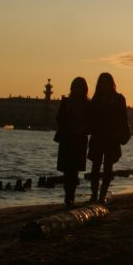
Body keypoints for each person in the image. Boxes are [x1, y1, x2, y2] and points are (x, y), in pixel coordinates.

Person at [87, 72, 131, 203]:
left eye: (107, 82)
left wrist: (121, 133)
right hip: (98, 137)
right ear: (99, 84)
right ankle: (94, 195)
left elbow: (123, 118)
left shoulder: (119, 99)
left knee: (108, 167)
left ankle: (102, 196)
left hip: (112, 137)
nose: (104, 85)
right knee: (95, 167)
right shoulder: (96, 99)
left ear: (111, 84)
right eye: (102, 82)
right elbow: (91, 118)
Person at [54, 77, 90, 207]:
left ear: (84, 89)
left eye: (80, 87)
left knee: (74, 170)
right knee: (66, 169)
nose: (77, 89)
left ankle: (71, 196)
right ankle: (67, 195)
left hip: (79, 140)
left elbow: (91, 122)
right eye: (75, 87)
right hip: (66, 138)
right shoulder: (66, 102)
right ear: (72, 88)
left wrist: (84, 128)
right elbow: (59, 118)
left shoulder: (87, 104)